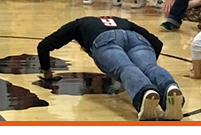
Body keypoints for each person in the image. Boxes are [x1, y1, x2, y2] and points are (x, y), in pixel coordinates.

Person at [37, 15, 184, 121]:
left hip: (104, 41)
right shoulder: (120, 20)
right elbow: (156, 43)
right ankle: (169, 89)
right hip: (136, 38)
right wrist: (145, 72)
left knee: (125, 68)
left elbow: (43, 46)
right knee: (149, 66)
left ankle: (144, 93)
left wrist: (47, 73)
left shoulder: (79, 24)